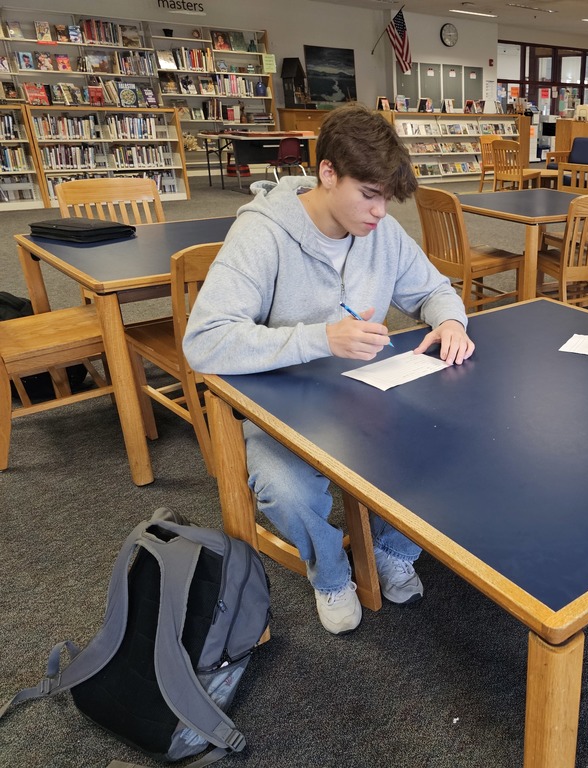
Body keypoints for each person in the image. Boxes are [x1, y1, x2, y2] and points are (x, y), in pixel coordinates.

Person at [183, 103, 474, 636]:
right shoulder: (263, 234)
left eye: (387, 198)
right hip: (280, 405)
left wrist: (450, 321)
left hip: (364, 395)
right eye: (368, 195)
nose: (380, 212)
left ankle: (388, 548)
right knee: (287, 491)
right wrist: (320, 338)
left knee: (451, 438)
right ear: (327, 173)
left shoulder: (381, 233)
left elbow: (433, 289)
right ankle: (332, 573)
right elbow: (204, 341)